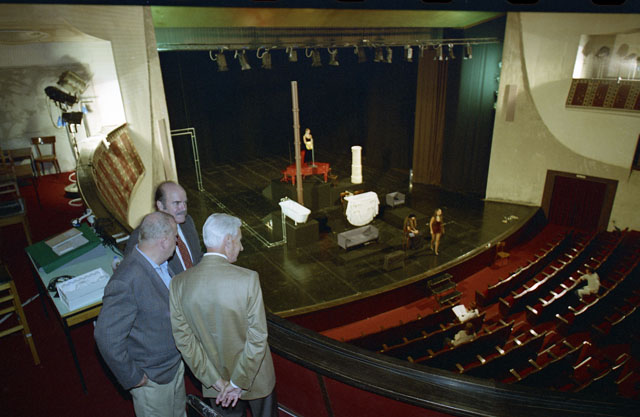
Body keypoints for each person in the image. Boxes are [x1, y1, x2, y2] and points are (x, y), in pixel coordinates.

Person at [170, 213, 277, 417]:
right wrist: (237, 383)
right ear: (228, 241)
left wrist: (216, 381)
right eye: (239, 240)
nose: (241, 247)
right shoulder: (248, 279)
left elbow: (184, 341)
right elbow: (257, 337)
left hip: (216, 384)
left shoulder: (179, 284)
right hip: (255, 379)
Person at [95, 212, 186, 417]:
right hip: (152, 379)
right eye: (175, 237)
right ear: (164, 241)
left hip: (174, 366)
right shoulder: (126, 281)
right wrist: (132, 376)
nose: (177, 242)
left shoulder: (162, 264)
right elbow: (106, 336)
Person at [125, 181, 202, 274]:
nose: (183, 208)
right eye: (176, 203)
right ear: (160, 205)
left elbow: (198, 257)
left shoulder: (187, 222)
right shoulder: (141, 237)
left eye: (185, 202)